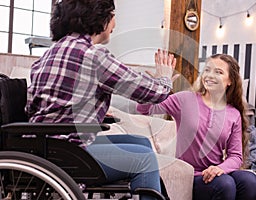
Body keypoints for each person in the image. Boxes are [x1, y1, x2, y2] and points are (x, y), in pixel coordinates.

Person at [25, 0, 176, 199]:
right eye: (112, 14)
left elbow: (41, 105)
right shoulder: (93, 56)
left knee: (140, 142)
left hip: (43, 144)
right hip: (67, 150)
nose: (115, 22)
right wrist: (164, 78)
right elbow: (150, 93)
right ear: (98, 16)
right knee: (145, 159)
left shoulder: (49, 53)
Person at [137, 54, 256, 200]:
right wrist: (157, 86)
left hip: (215, 172)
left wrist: (220, 169)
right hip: (189, 175)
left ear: (230, 81)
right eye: (207, 70)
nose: (210, 75)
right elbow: (143, 109)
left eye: (218, 72)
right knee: (225, 184)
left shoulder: (233, 114)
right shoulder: (185, 99)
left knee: (251, 181)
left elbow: (236, 156)